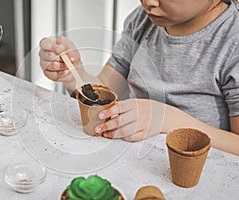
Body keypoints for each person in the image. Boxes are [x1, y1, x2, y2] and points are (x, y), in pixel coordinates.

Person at [39, 0, 239, 155]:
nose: (148, 2)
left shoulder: (233, 42)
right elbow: (106, 90)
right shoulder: (144, 21)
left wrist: (168, 121)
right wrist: (75, 76)